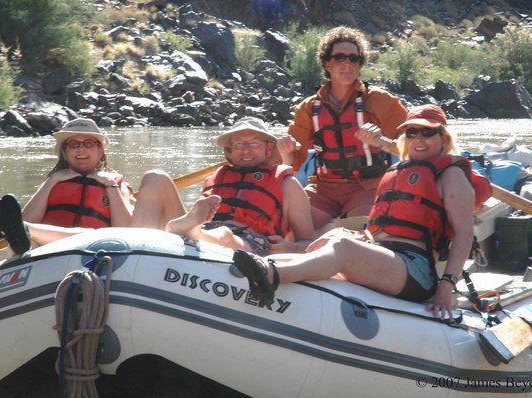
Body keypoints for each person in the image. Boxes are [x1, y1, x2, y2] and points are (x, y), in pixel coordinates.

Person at [233, 104, 492, 319]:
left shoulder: (451, 174)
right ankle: (254, 269)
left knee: (343, 247)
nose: (418, 139)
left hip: (415, 269)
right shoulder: (397, 171)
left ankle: (269, 275)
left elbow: (464, 235)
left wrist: (446, 285)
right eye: (411, 133)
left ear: (442, 138)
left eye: (427, 132)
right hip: (383, 254)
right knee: (328, 239)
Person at [278, 26, 408, 233]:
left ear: (360, 64)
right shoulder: (309, 108)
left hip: (367, 186)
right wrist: (285, 152)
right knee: (291, 227)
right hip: (323, 188)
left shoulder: (380, 101)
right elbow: (291, 162)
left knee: (361, 229)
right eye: (340, 57)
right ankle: (320, 237)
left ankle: (328, 234)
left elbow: (415, 147)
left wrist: (382, 141)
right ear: (327, 63)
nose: (347, 63)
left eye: (353, 58)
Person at [167, 116, 315, 255]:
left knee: (225, 234)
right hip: (207, 229)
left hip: (255, 243)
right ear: (230, 151)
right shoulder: (215, 178)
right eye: (239, 144)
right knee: (155, 178)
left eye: (254, 143)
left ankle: (190, 232)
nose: (246, 150)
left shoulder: (288, 184)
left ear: (269, 149)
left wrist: (291, 248)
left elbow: (307, 243)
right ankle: (150, 247)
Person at [0, 118, 134, 255]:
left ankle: (21, 231)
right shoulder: (54, 181)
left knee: (91, 234)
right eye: (73, 144)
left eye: (88, 143)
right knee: (25, 246)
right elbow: (24, 222)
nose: (81, 150)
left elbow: (125, 233)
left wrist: (110, 185)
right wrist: (51, 181)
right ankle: (25, 237)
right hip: (49, 249)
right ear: (64, 152)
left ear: (100, 150)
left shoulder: (115, 184)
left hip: (93, 248)